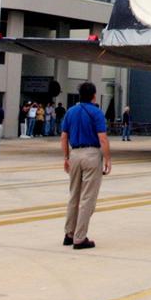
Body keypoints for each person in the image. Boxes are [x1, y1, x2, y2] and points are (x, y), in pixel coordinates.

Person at [59, 81, 111, 249]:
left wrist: (66, 157)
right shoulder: (96, 113)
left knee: (74, 194)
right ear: (94, 96)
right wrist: (108, 159)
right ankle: (80, 237)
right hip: (91, 154)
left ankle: (69, 233)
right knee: (88, 197)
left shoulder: (70, 112)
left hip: (74, 154)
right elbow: (102, 138)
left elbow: (63, 136)